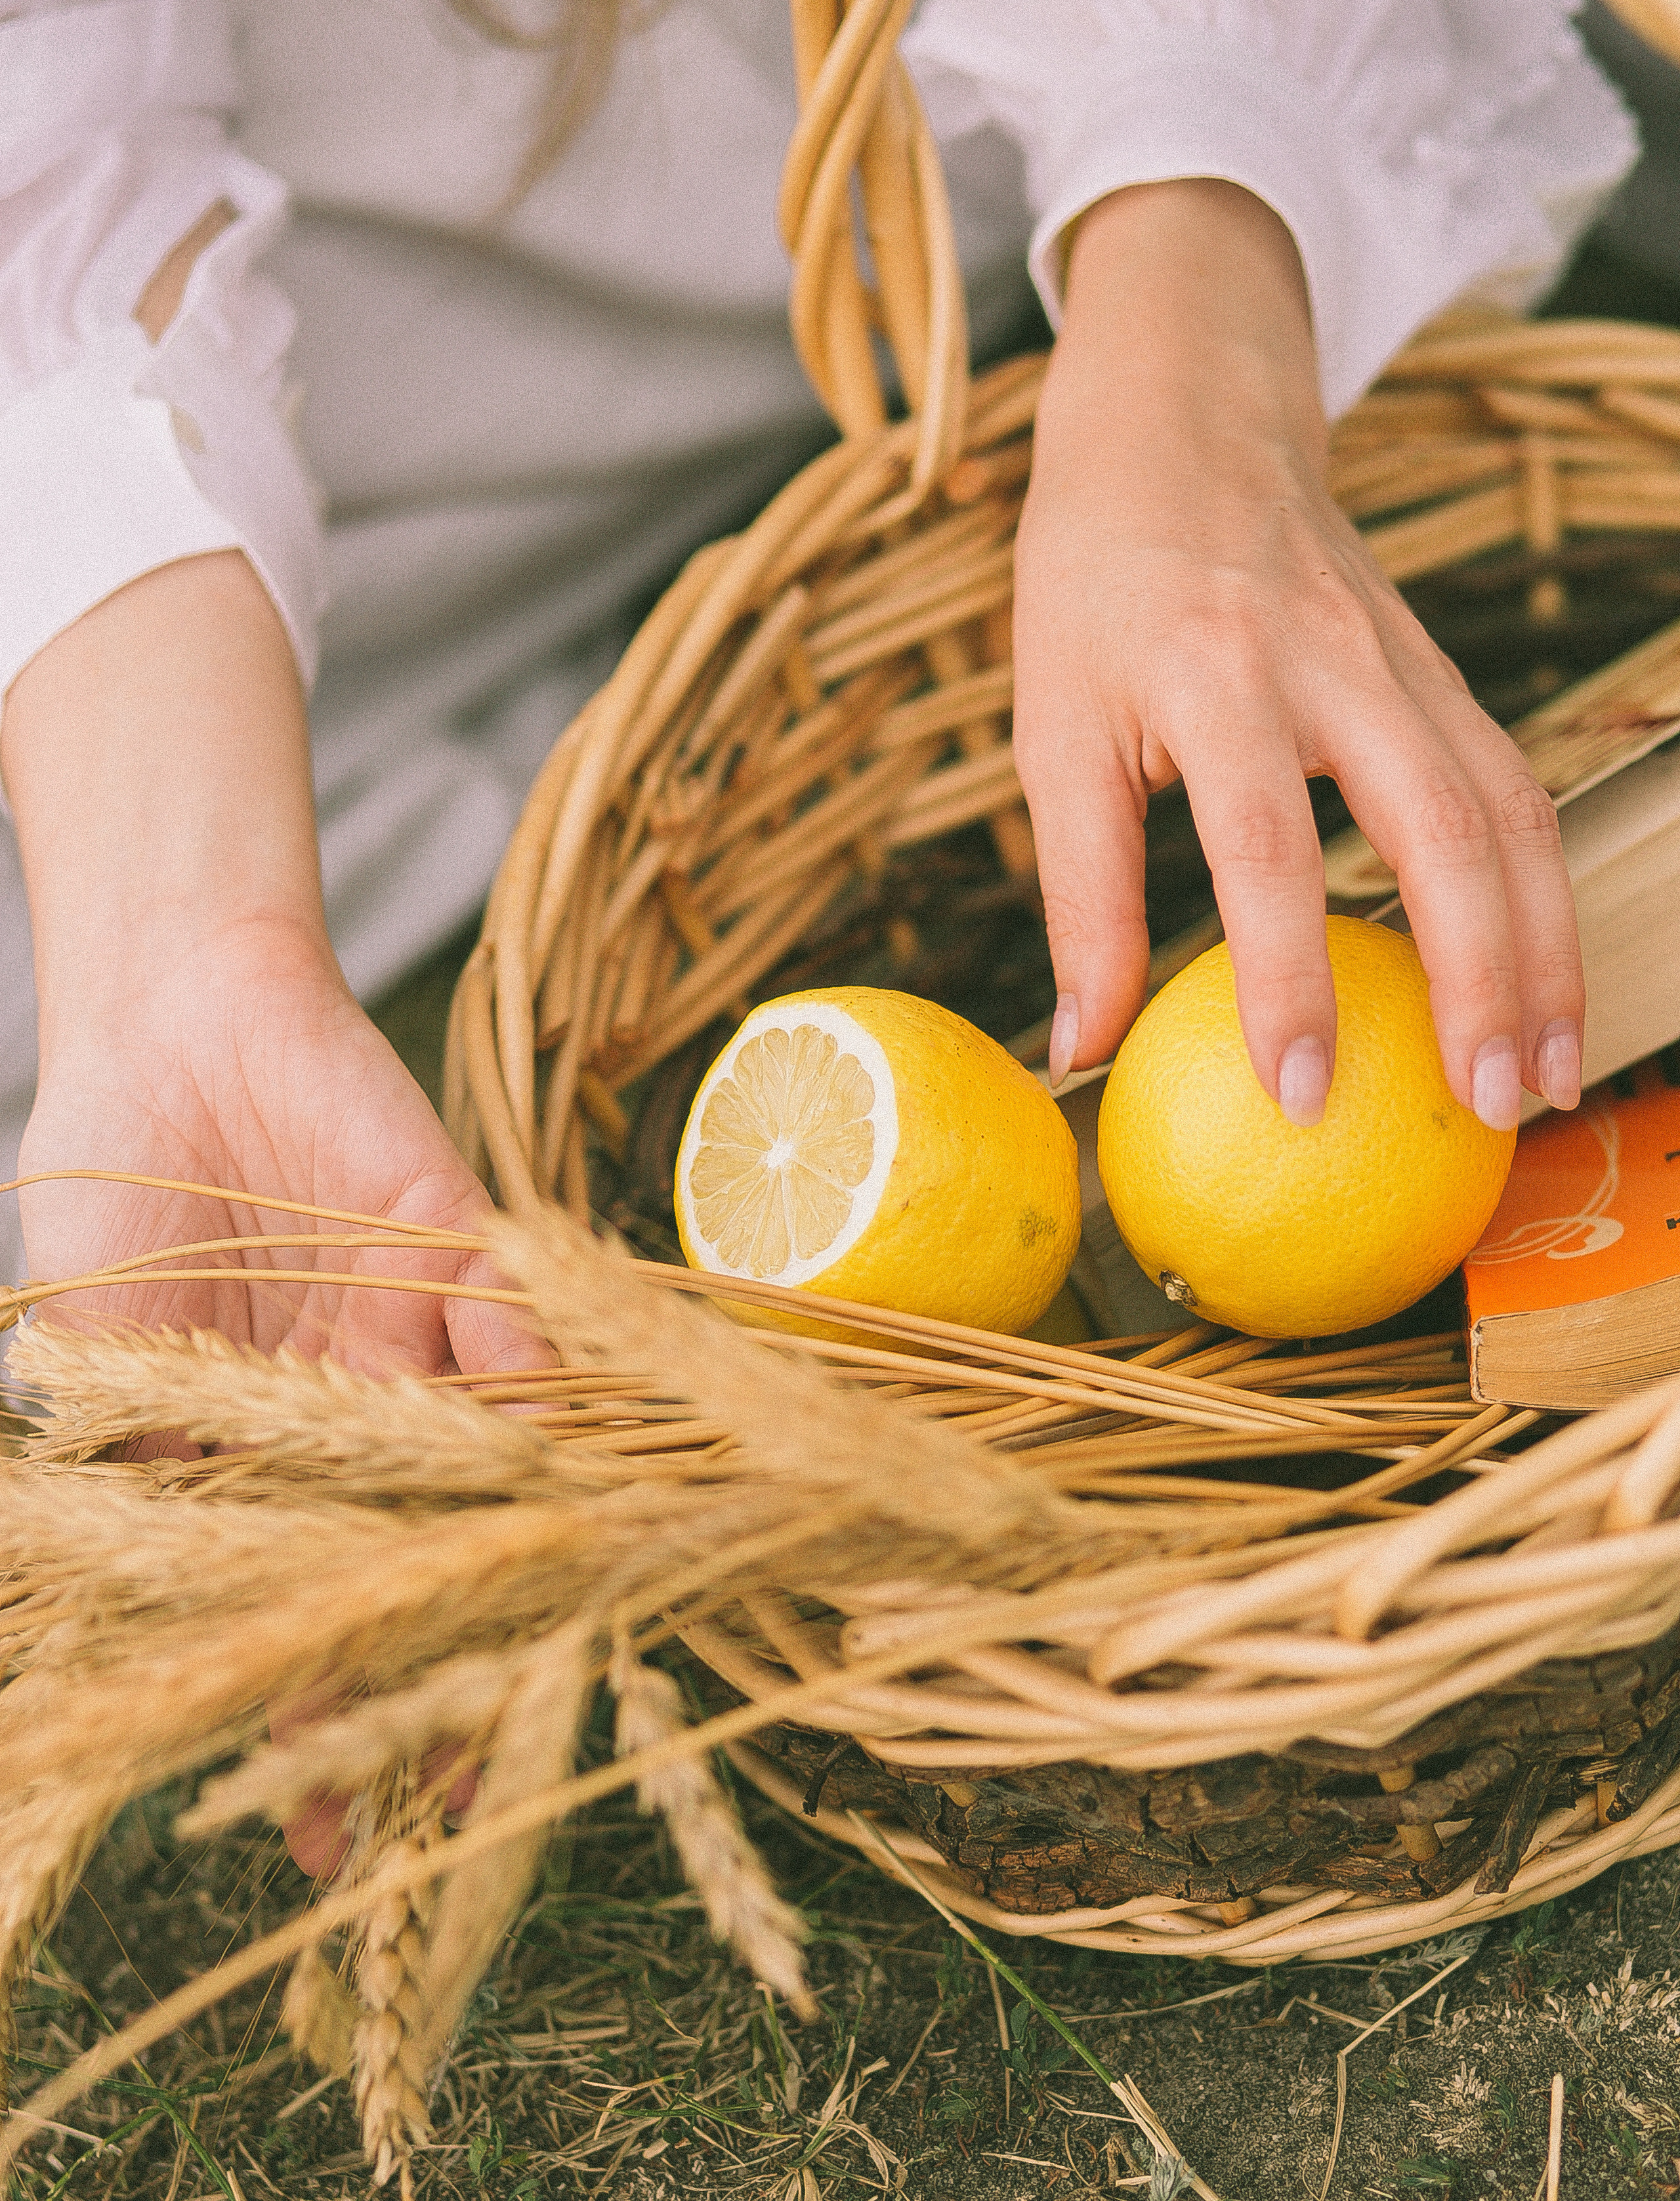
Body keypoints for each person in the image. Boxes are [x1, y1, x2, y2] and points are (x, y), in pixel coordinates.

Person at [0, 1, 1640, 1382]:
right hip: (131, 679)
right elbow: (48, 167)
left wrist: (1189, 362)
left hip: (601, 567)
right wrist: (169, 947)